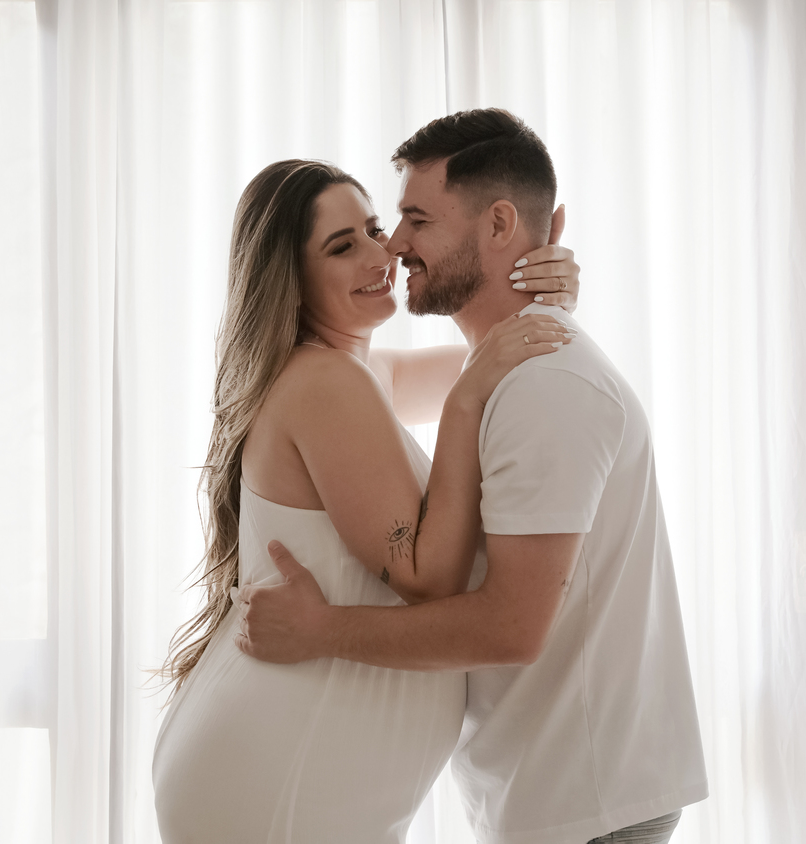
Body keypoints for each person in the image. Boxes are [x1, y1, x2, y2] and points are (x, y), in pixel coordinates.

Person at [236, 109, 708, 844]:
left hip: (582, 803)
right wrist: (542, 298)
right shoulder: (487, 375)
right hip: (552, 796)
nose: (393, 246)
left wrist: (322, 630)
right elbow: (468, 373)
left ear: (497, 225)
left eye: (411, 221)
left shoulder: (543, 385)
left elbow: (510, 625)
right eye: (358, 237)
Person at [151, 158, 580, 843]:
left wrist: (545, 292)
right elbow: (427, 577)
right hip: (282, 777)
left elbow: (506, 352)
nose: (382, 256)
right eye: (341, 246)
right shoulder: (325, 384)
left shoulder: (358, 372)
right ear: (291, 280)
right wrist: (466, 404)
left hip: (293, 768)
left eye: (375, 230)